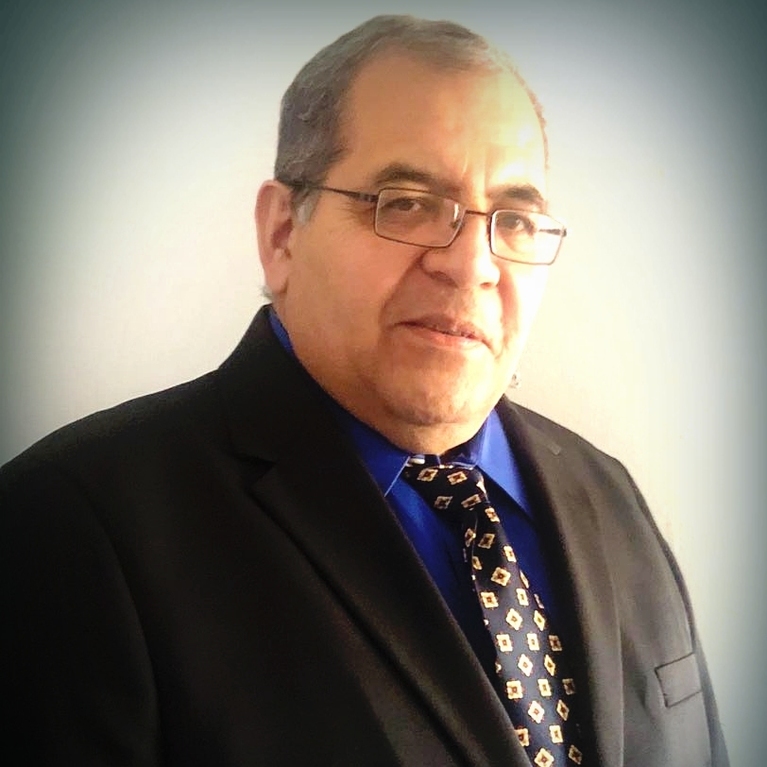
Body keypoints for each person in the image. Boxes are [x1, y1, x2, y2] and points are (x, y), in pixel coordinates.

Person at [1, 14, 728, 767]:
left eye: (514, 219)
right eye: (406, 202)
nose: (471, 265)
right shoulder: (70, 530)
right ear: (283, 233)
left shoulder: (609, 494)